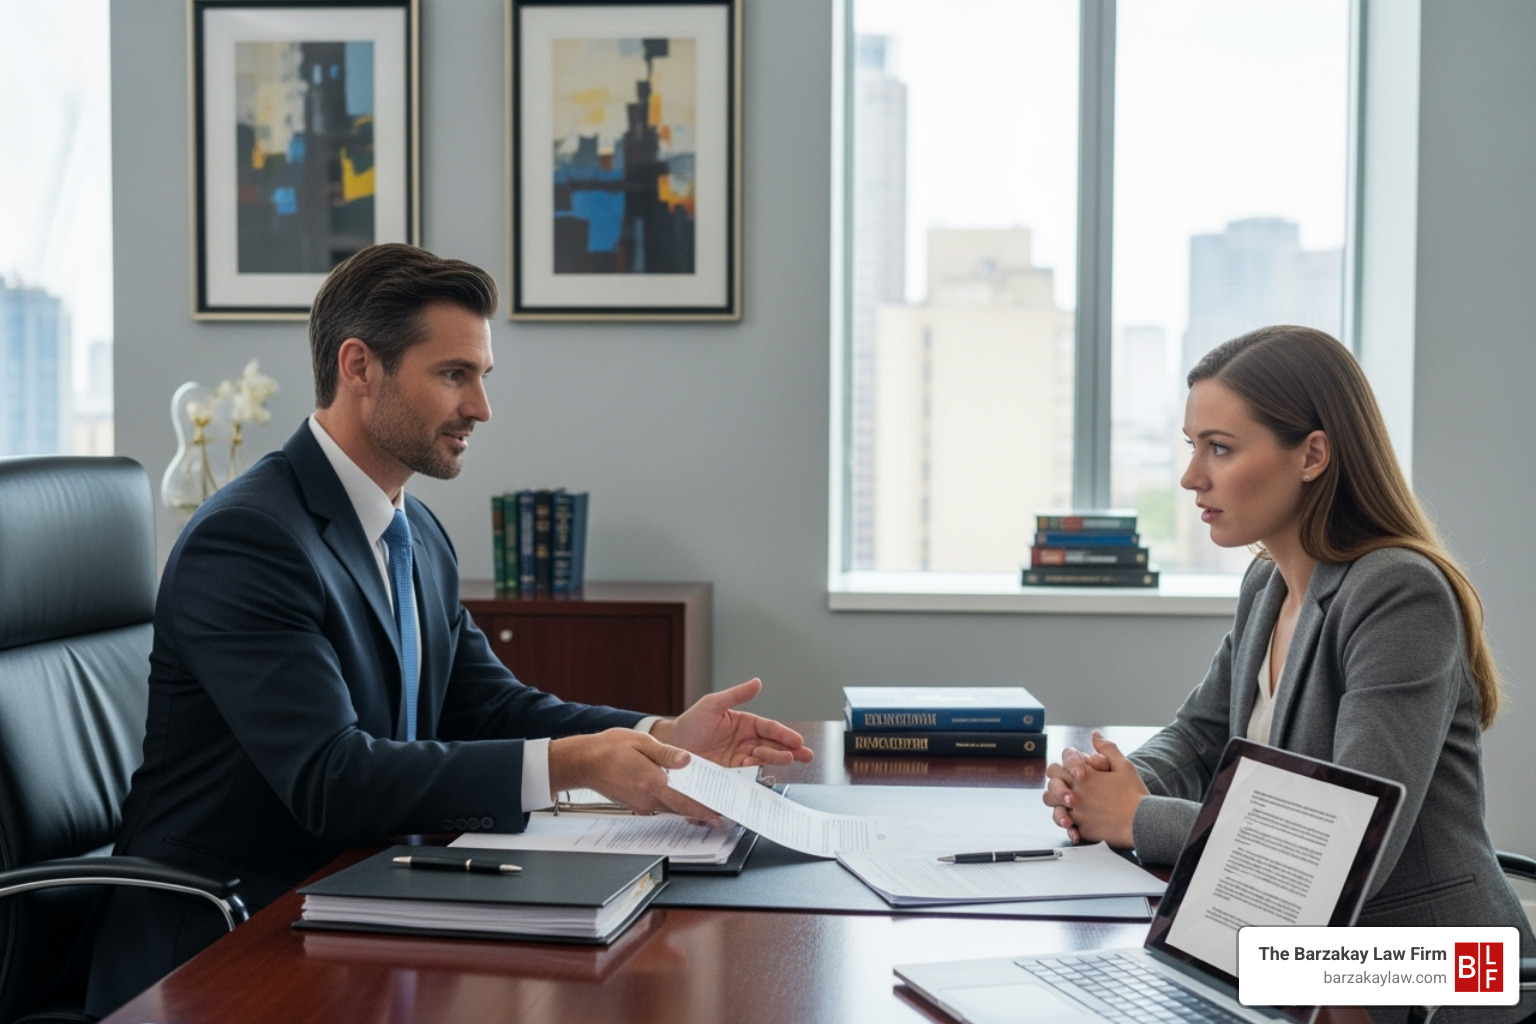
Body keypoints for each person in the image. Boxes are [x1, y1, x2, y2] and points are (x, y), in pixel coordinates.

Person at [85, 243, 812, 1014]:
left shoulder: (416, 532)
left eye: (482, 377)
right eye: (453, 375)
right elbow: (332, 780)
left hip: (364, 905)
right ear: (359, 367)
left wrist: (660, 735)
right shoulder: (250, 540)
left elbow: (492, 707)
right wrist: (573, 764)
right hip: (226, 942)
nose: (481, 408)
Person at [1042, 325, 1533, 1024]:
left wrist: (1136, 816)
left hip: (1428, 965)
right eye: (1192, 448)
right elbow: (1199, 734)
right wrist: (1113, 782)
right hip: (1299, 956)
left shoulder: (1398, 593)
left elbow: (1350, 840)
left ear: (1313, 454)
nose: (1191, 478)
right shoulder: (1268, 585)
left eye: (1221, 448)